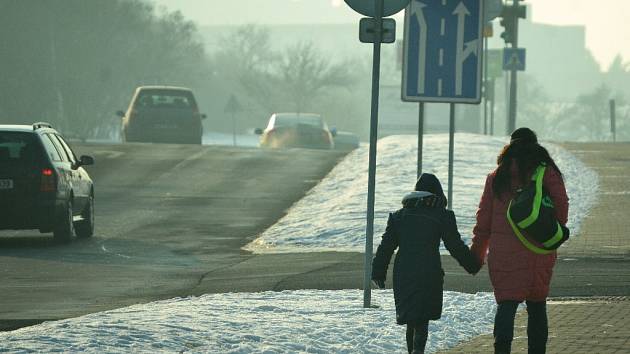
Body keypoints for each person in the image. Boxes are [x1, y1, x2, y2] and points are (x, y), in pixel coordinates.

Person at [470, 127, 569, 354]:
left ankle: (501, 350)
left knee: (506, 305)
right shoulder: (547, 173)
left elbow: (483, 222)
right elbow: (561, 207)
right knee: (537, 306)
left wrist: (477, 256)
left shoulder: (497, 177)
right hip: (539, 249)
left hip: (504, 255)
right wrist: (551, 229)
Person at [372, 173, 481, 354]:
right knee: (422, 319)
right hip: (428, 272)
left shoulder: (399, 216)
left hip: (403, 274)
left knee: (411, 318)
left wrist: (378, 272)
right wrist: (472, 264)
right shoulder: (442, 215)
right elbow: (455, 245)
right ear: (437, 194)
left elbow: (386, 247)